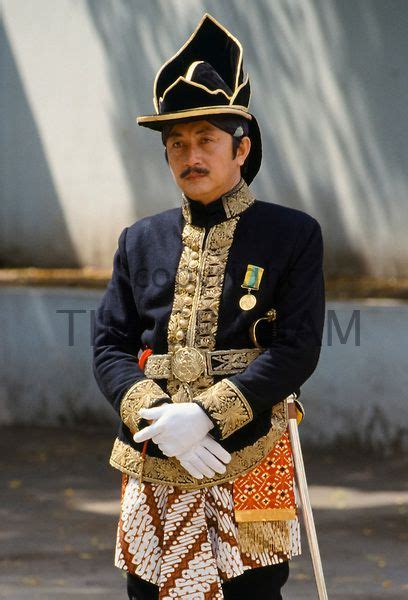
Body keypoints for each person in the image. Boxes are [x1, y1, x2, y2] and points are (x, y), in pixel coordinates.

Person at [93, 13, 325, 600]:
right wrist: (157, 416)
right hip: (154, 453)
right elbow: (110, 346)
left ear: (241, 147)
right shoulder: (138, 239)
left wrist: (209, 417)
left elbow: (297, 348)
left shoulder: (292, 235)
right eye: (177, 144)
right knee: (149, 593)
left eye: (205, 141)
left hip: (249, 448)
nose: (189, 156)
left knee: (253, 592)